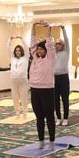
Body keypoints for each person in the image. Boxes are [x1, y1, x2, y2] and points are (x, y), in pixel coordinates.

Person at [29, 20, 56, 150]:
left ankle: (51, 141)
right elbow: (32, 43)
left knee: (49, 117)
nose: (38, 51)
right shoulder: (35, 58)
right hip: (35, 90)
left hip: (47, 91)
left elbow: (49, 43)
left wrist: (47, 28)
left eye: (41, 49)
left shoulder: (50, 58)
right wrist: (33, 26)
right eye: (38, 49)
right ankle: (41, 140)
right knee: (39, 117)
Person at [7, 35, 29, 118]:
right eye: (16, 51)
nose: (18, 52)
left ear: (22, 51)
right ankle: (17, 113)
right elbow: (8, 48)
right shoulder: (12, 58)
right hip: (13, 81)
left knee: (24, 97)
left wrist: (21, 39)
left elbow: (26, 47)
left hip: (23, 81)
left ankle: (25, 112)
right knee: (15, 98)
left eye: (19, 51)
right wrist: (10, 39)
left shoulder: (25, 58)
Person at [53, 25, 70, 126]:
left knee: (65, 99)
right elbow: (49, 44)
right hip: (55, 78)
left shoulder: (66, 52)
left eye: (59, 44)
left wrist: (63, 29)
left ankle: (66, 118)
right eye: (56, 44)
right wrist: (49, 29)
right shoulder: (54, 53)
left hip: (64, 78)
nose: (57, 45)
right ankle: (58, 118)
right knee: (55, 100)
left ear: (63, 45)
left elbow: (67, 40)